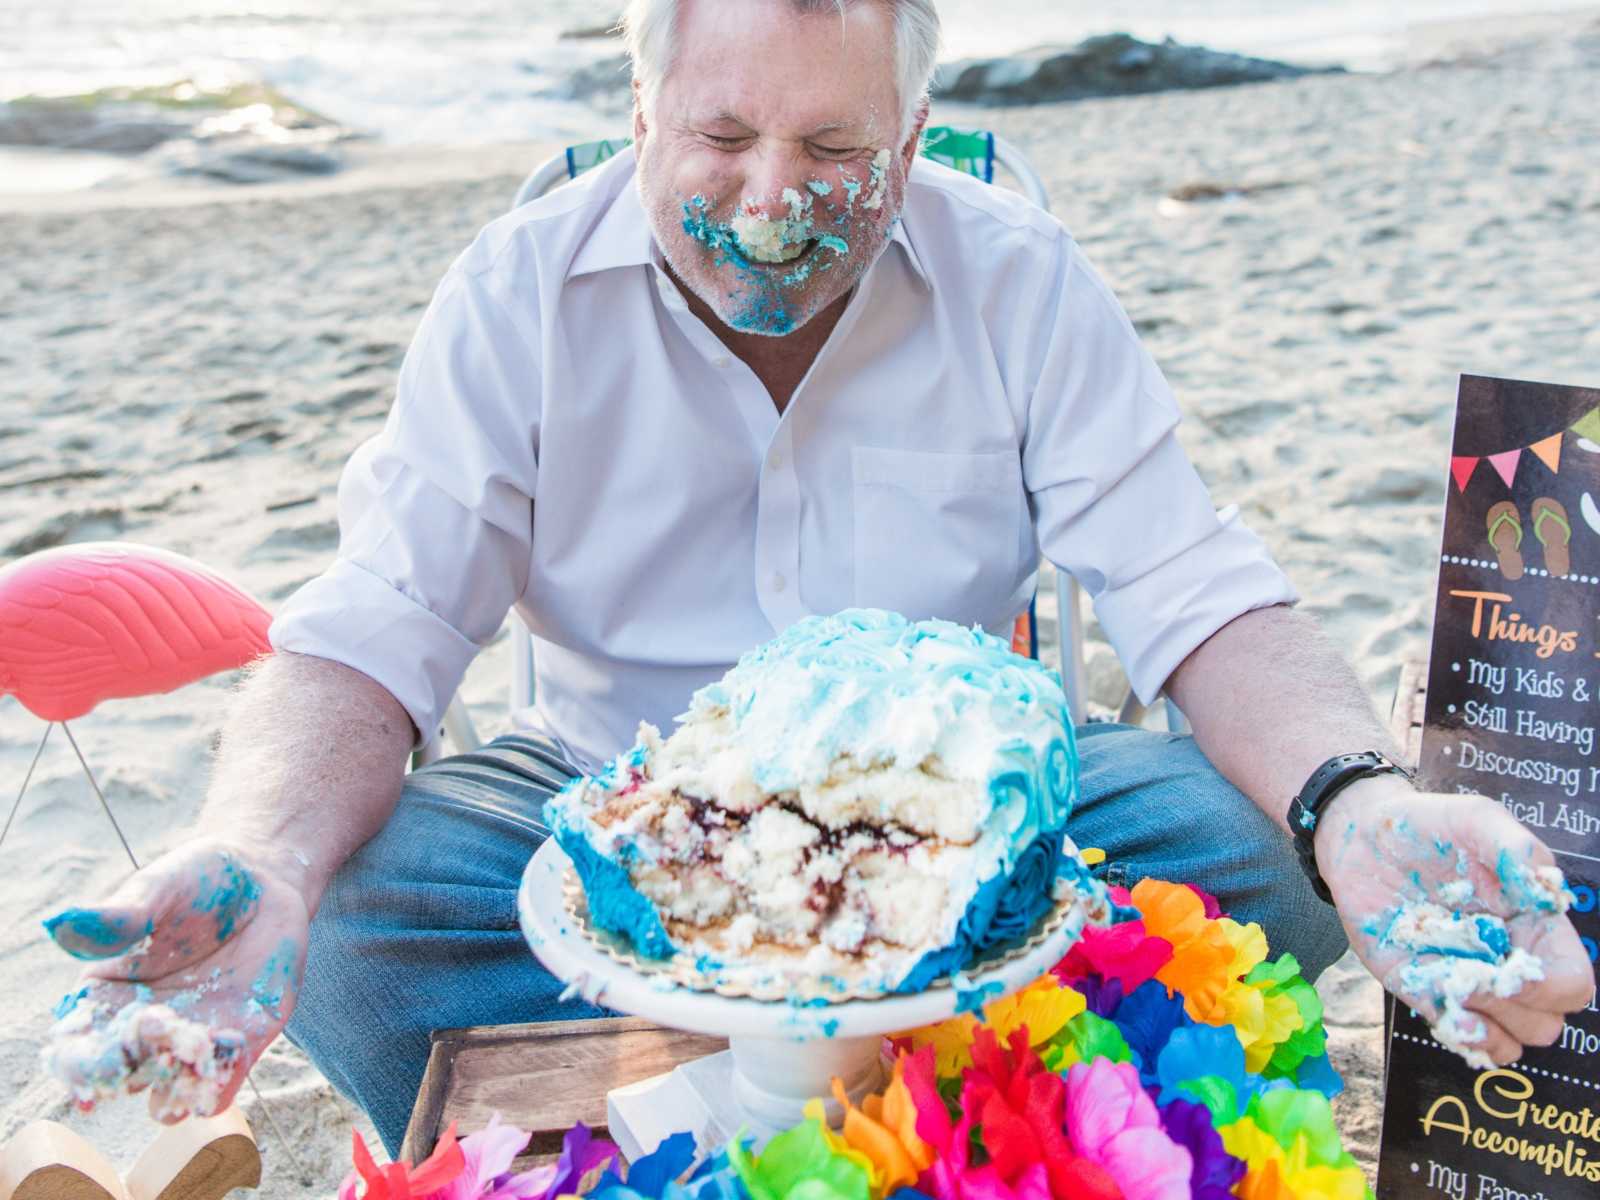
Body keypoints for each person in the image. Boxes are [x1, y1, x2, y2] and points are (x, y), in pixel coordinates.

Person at [45, 0, 1592, 1156]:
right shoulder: (513, 294)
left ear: (911, 143)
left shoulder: (1019, 279)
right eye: (720, 139)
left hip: (980, 838)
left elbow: (1195, 587)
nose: (772, 200)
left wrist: (1355, 800)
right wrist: (258, 844)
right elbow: (373, 629)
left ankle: (786, 1117)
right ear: (641, 105)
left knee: (1270, 843)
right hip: (603, 810)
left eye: (837, 148)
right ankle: (791, 1110)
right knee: (350, 913)